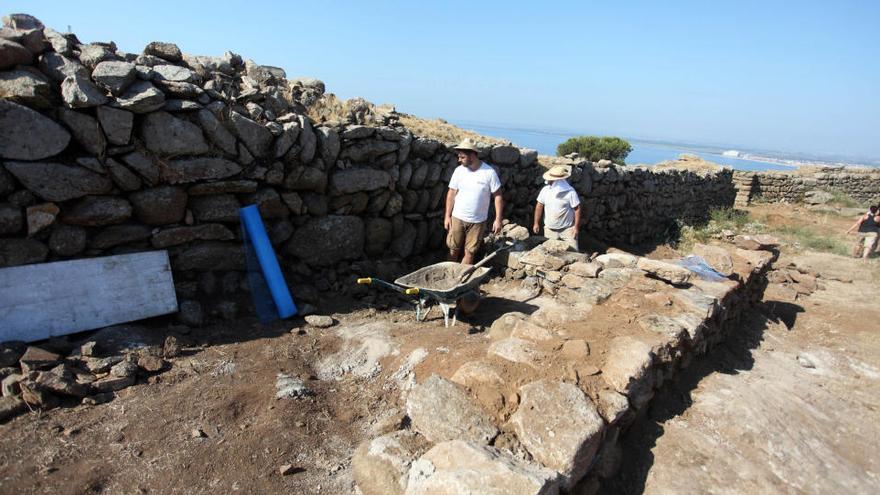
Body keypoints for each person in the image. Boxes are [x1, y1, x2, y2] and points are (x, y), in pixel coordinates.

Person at [444, 138, 504, 265]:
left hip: (478, 221)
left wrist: (498, 219)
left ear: (472, 155)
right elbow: (451, 193)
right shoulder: (459, 171)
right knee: (453, 249)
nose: (459, 160)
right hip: (457, 217)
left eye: (462, 157)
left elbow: (498, 196)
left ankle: (461, 279)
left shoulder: (489, 173)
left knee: (470, 252)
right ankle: (450, 276)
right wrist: (447, 216)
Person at [532, 165, 582, 251]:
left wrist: (576, 228)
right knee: (550, 255)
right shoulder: (545, 190)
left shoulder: (570, 192)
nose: (549, 181)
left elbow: (577, 209)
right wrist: (536, 223)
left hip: (568, 230)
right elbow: (539, 206)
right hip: (549, 230)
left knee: (575, 254)